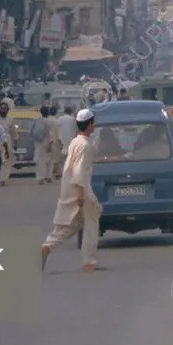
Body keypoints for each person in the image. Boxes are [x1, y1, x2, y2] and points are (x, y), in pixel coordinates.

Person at [42, 109, 101, 272]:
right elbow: (79, 170)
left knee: (72, 225)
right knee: (91, 222)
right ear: (89, 124)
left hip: (70, 187)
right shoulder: (84, 145)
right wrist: (81, 195)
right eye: (93, 122)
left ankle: (46, 247)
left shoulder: (76, 142)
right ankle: (88, 260)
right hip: (80, 189)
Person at [33, 105, 61, 185]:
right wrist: (51, 142)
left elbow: (32, 132)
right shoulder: (50, 121)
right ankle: (48, 176)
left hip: (39, 143)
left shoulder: (37, 120)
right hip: (49, 142)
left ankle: (41, 177)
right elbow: (51, 133)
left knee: (40, 160)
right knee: (50, 160)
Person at [0, 101, 18, 187]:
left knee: (7, 162)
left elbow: (14, 133)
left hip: (8, 142)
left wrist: (15, 143)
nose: (3, 110)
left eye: (5, 109)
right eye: (2, 108)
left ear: (8, 110)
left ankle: (3, 179)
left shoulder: (10, 120)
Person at [56, 105, 78, 180]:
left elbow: (57, 129)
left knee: (61, 160)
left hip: (61, 141)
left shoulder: (59, 119)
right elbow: (76, 130)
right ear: (71, 112)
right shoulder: (73, 119)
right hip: (71, 140)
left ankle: (62, 174)